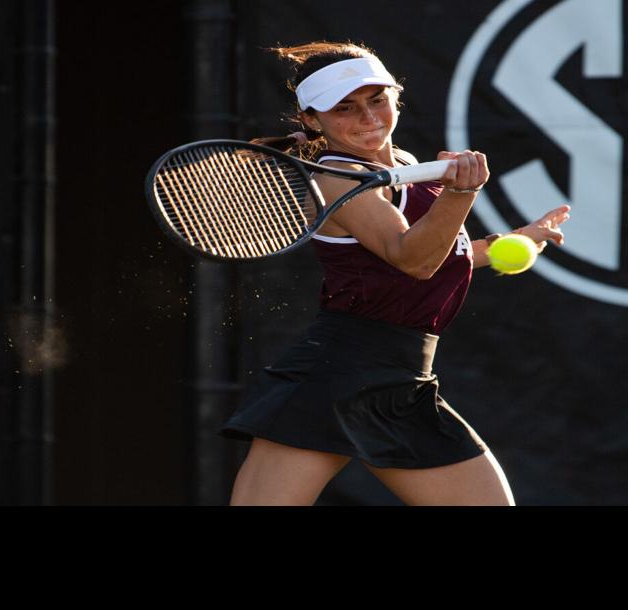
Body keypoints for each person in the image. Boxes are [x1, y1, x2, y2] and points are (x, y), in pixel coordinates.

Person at [218, 41, 571, 505]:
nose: (368, 119)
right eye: (344, 108)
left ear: (395, 97)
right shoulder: (336, 178)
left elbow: (446, 252)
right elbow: (413, 260)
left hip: (404, 380)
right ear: (310, 119)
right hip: (334, 377)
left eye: (377, 100)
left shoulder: (404, 166)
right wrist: (460, 194)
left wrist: (519, 238)